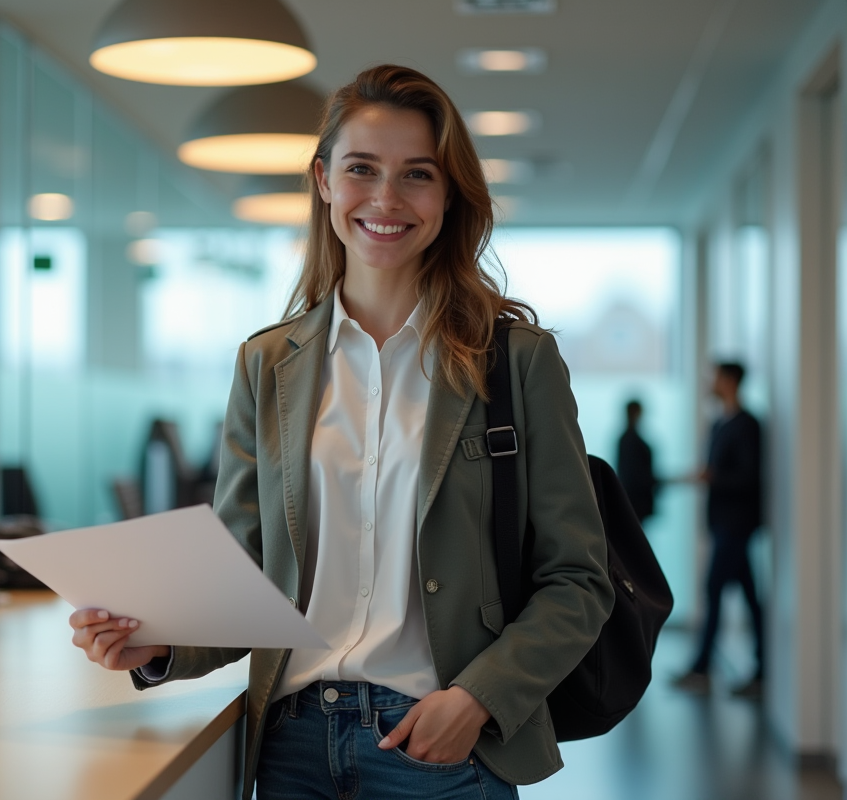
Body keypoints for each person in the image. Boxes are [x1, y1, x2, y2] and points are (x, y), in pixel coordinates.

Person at [69, 65, 614, 800]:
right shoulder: (267, 366)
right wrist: (161, 642)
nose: (386, 199)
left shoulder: (516, 361)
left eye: (417, 174)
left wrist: (479, 697)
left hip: (442, 745)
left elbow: (579, 578)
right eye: (362, 169)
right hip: (293, 744)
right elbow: (246, 577)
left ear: (449, 195)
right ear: (324, 180)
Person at [673, 362, 764, 698]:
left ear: (729, 381)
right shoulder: (719, 424)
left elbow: (749, 476)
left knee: (714, 589)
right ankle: (761, 671)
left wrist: (712, 478)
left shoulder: (747, 424)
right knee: (752, 598)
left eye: (715, 377)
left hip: (736, 524)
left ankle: (701, 669)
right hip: (722, 523)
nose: (710, 383)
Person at [616, 399, 658, 522]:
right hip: (635, 501)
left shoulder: (626, 439)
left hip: (632, 501)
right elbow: (635, 475)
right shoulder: (631, 440)